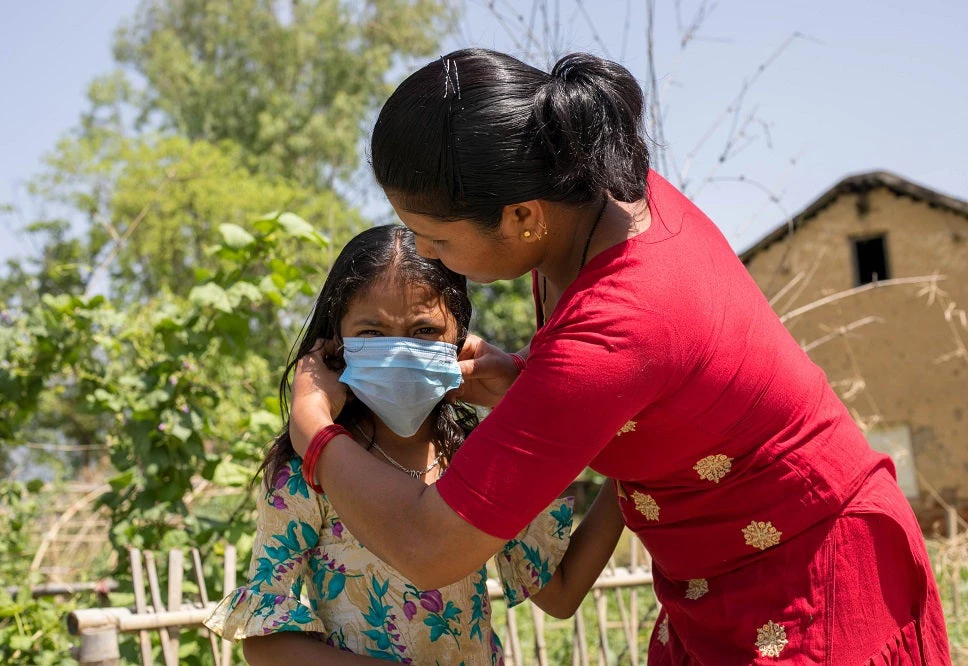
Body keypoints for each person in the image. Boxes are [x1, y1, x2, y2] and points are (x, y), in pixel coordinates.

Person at [286, 49, 951, 664]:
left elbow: (429, 547)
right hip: (717, 580)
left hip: (808, 579)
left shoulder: (617, 324)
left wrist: (314, 430)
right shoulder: (603, 196)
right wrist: (524, 381)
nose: (427, 255)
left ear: (522, 217)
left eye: (435, 239)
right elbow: (651, 394)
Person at [205, 225, 625, 665]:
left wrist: (635, 461)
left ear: (459, 340)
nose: (398, 351)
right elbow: (264, 642)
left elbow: (559, 593)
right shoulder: (310, 472)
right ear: (335, 343)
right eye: (371, 333)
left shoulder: (474, 456)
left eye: (423, 330)